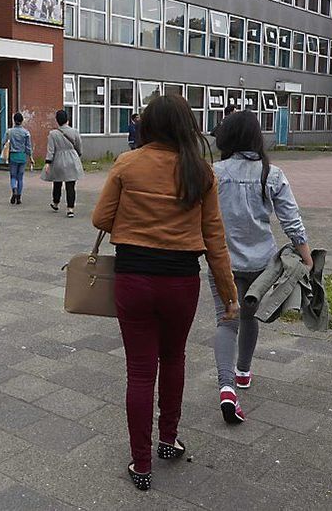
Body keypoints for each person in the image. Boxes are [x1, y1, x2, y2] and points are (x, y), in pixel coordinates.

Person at [91, 95, 237, 491]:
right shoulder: (201, 171)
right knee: (174, 359)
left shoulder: (127, 163)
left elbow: (101, 218)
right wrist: (229, 295)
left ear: (147, 126)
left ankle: (141, 465)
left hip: (133, 278)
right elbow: (215, 240)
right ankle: (168, 441)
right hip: (181, 282)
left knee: (139, 372)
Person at [210, 112, 312, 425]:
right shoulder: (272, 173)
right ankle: (243, 372)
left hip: (222, 261)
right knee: (249, 315)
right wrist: (306, 258)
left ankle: (226, 386)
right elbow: (291, 221)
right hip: (263, 263)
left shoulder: (213, 173)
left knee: (226, 322)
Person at [42, 110, 83, 218]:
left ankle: (56, 203)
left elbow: (51, 150)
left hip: (58, 160)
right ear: (67, 119)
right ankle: (70, 209)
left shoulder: (53, 134)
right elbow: (79, 146)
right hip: (71, 159)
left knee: (57, 183)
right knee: (71, 186)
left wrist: (47, 162)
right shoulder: (74, 131)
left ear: (57, 121)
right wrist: (77, 154)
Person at [5, 112, 32, 205]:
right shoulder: (26, 133)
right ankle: (19, 197)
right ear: (22, 121)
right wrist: (31, 157)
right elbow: (28, 147)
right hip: (22, 156)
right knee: (20, 178)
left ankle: (14, 190)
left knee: (13, 176)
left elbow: (3, 142)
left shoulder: (9, 131)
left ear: (14, 120)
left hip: (13, 155)